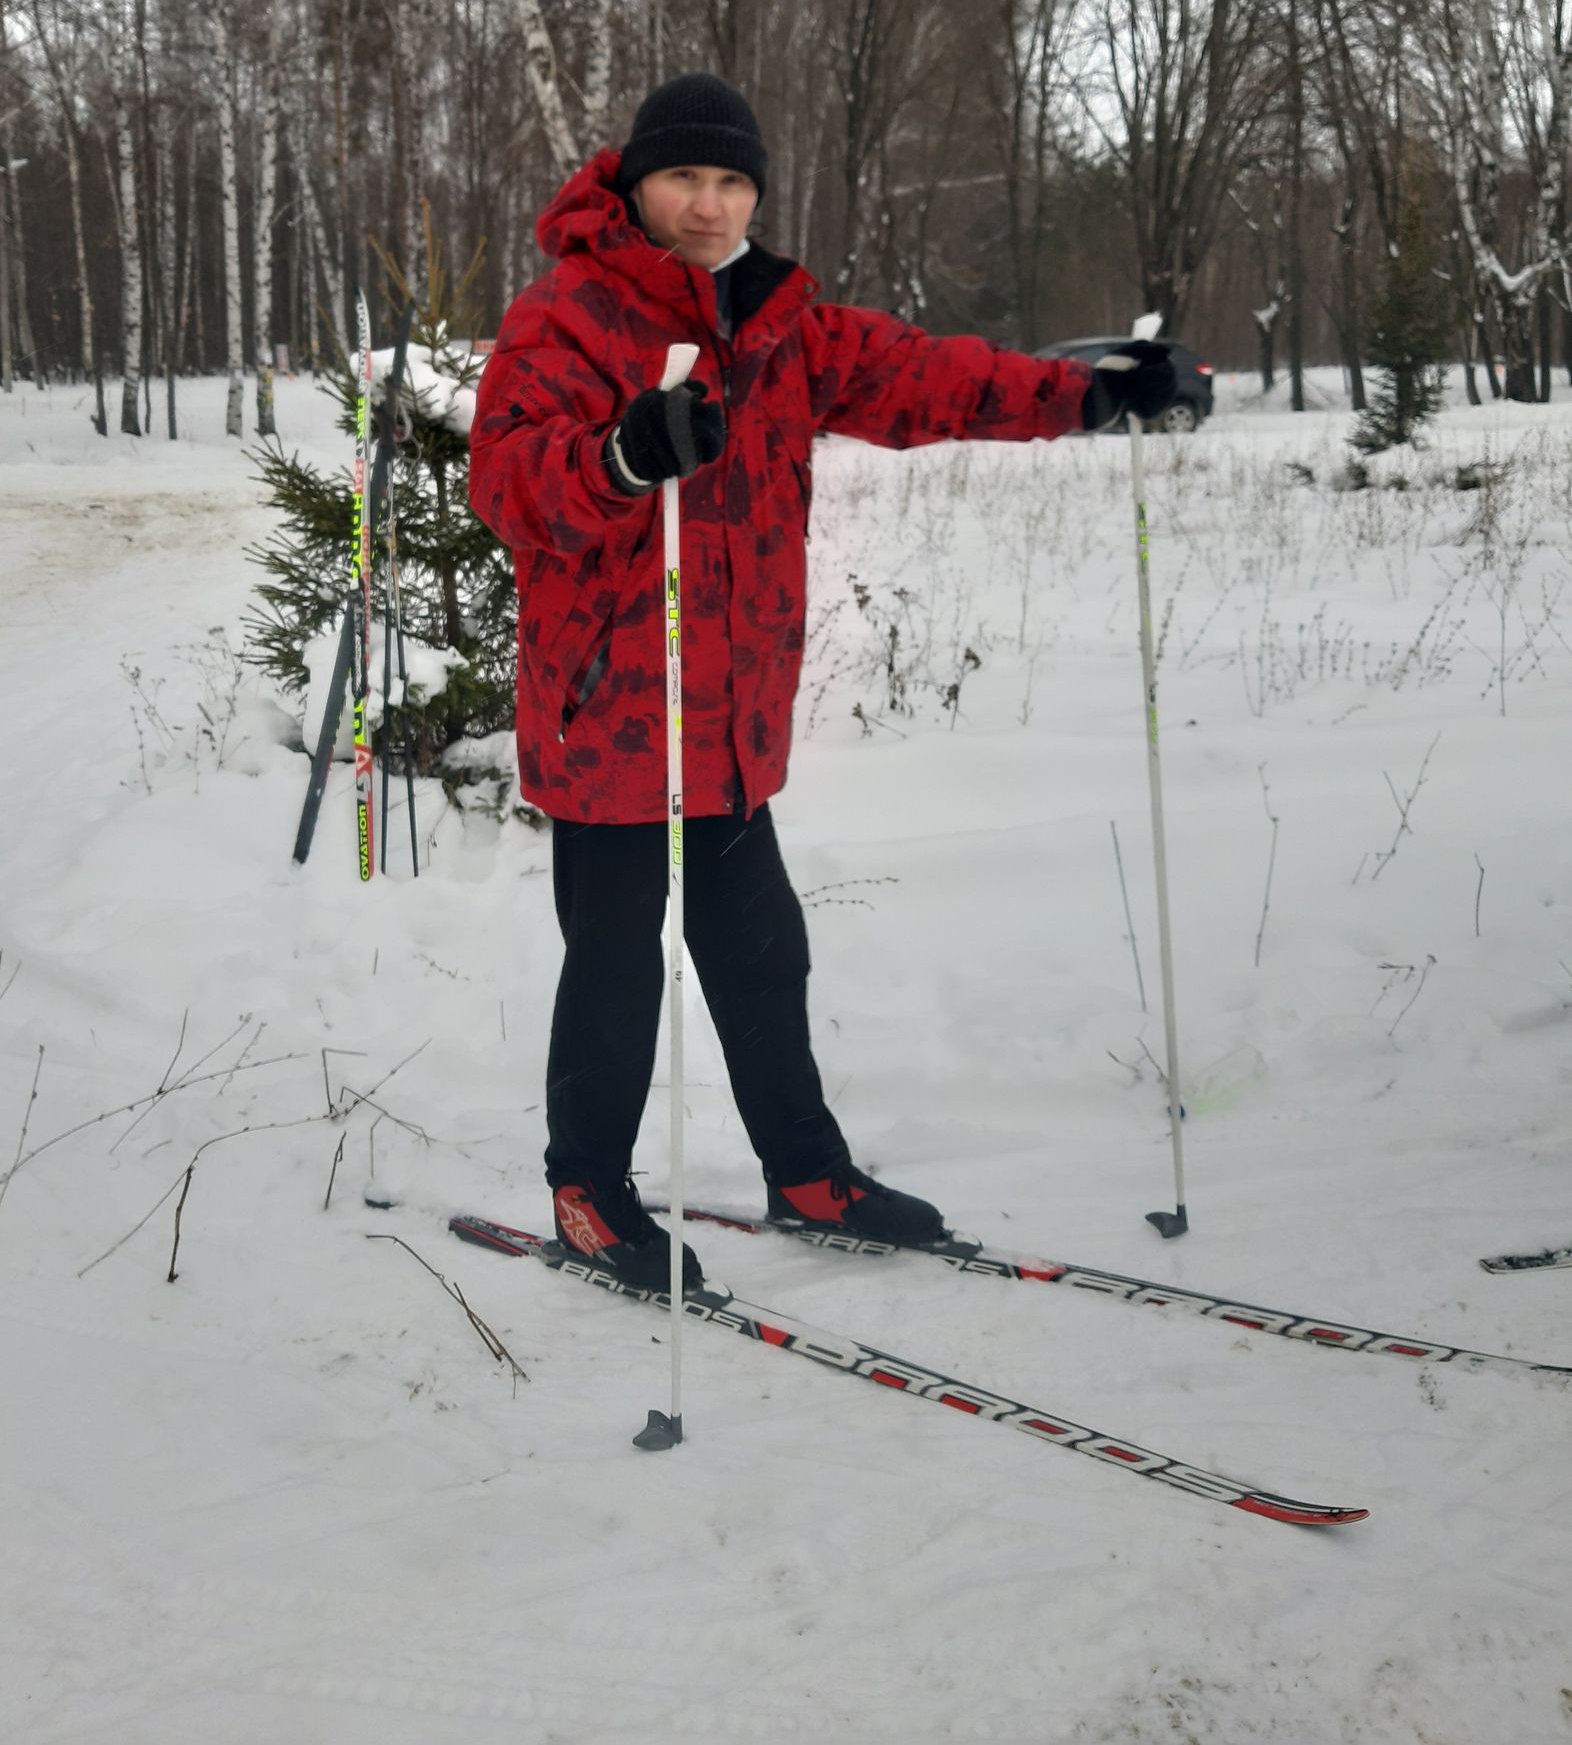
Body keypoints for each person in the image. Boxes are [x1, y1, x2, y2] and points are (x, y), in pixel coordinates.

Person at [468, 72, 1174, 1292]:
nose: (711, 203)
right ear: (636, 185)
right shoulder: (569, 316)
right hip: (614, 716)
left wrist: (1091, 396)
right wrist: (625, 454)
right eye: (686, 177)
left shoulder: (781, 327)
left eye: (734, 180)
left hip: (733, 721)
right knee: (618, 965)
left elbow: (930, 380)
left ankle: (806, 1171)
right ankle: (587, 1190)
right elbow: (510, 487)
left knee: (761, 951)